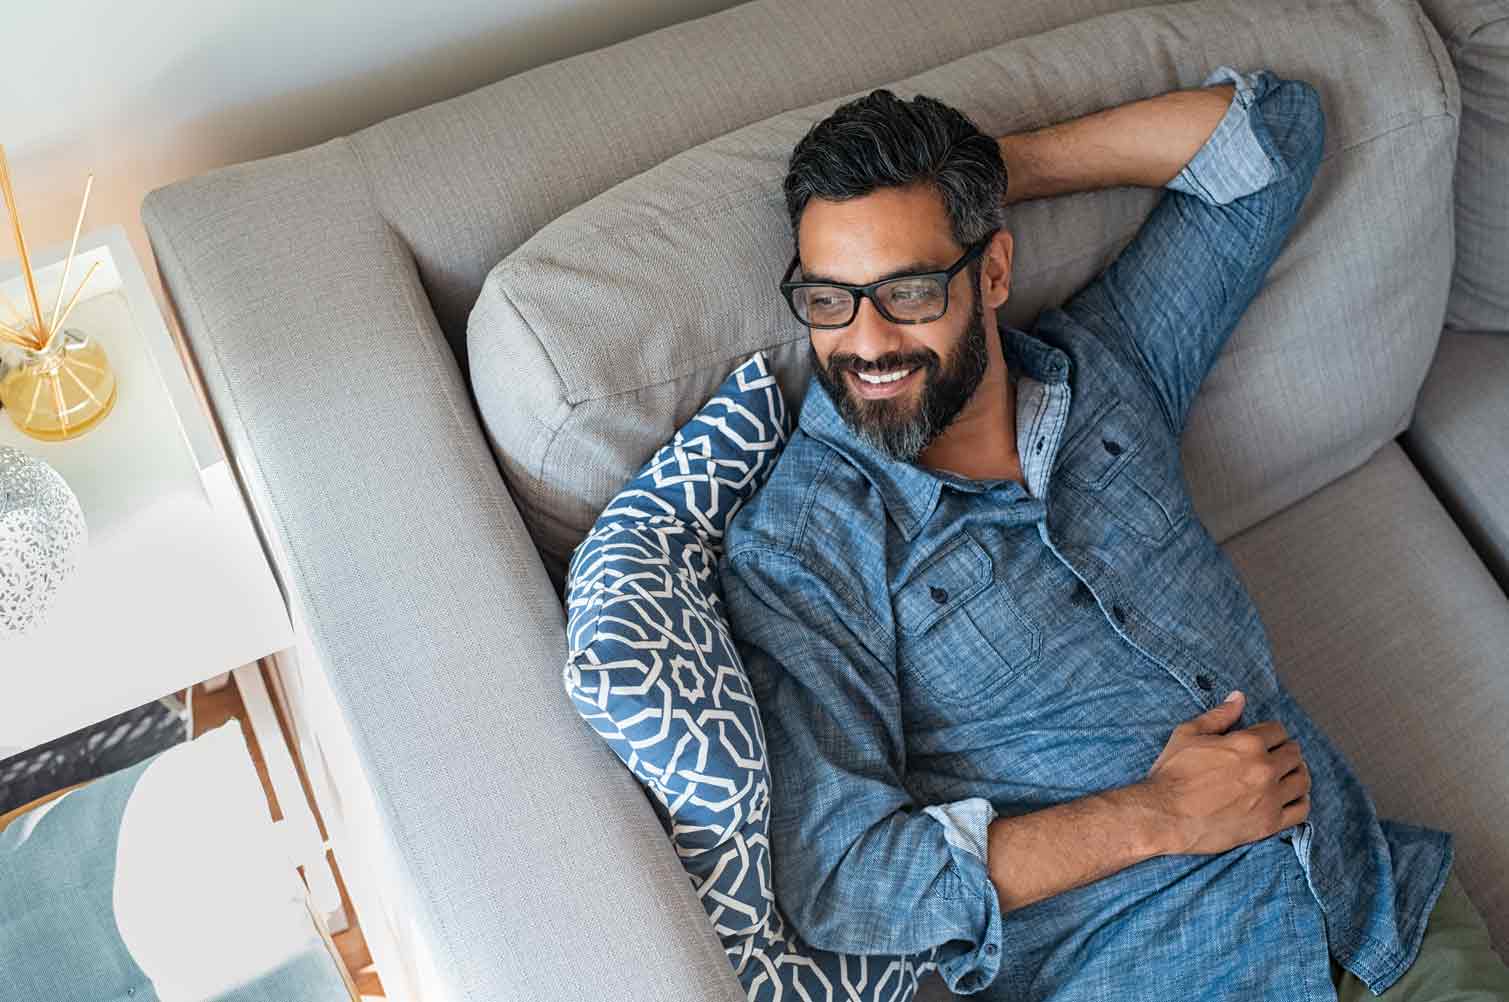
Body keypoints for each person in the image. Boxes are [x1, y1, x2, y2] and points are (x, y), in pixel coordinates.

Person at [720, 66, 1509, 1000]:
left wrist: (988, 168)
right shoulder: (804, 548)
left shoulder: (1110, 365)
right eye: (828, 298)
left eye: (910, 291)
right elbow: (842, 881)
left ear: (994, 270)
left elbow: (1271, 141)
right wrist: (1157, 814)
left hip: (1381, 921)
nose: (865, 342)